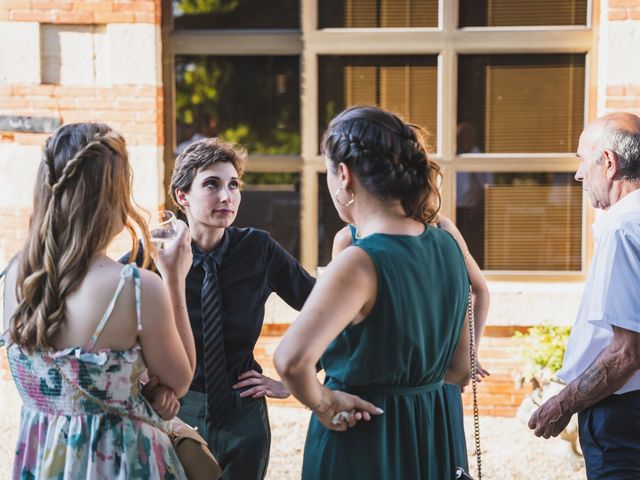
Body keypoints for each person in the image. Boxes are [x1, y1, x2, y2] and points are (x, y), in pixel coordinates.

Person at [274, 105, 473, 479]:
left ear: (344, 176)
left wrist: (324, 403)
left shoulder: (359, 262)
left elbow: (291, 360)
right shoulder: (448, 246)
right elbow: (460, 368)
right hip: (433, 435)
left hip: (364, 441)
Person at [0, 123, 196, 478]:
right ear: (113, 197)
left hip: (45, 460)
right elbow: (181, 378)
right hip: (118, 461)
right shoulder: (135, 289)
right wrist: (175, 279)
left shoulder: (11, 277)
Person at [131, 137, 315, 479]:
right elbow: (110, 321)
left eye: (233, 185)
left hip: (243, 416)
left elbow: (326, 308)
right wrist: (146, 384)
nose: (226, 196)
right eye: (212, 185)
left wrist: (294, 382)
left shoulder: (259, 249)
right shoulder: (153, 251)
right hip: (173, 411)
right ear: (182, 195)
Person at [331, 214, 490, 472]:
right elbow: (339, 322)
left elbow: (479, 289)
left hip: (435, 379)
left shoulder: (444, 228)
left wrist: (468, 350)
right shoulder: (348, 238)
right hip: (378, 382)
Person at [528, 112, 640, 479]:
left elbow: (627, 352)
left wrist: (562, 404)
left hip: (621, 416)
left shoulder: (623, 228)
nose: (578, 174)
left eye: (581, 159)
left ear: (608, 162)